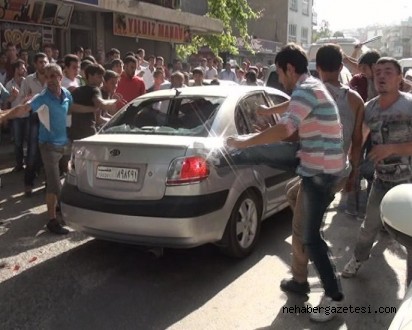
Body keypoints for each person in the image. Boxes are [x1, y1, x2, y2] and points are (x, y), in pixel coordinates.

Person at [225, 43, 346, 322]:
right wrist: (267, 112)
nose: (280, 79)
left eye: (280, 73)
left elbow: (286, 128)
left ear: (290, 69)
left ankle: (334, 295)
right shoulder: (312, 85)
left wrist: (246, 140)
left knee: (310, 237)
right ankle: (301, 280)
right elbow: (291, 105)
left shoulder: (306, 89)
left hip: (319, 172)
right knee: (294, 196)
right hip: (316, 165)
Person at [278, 44, 364, 300]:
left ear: (317, 67)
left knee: (302, 229)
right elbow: (357, 142)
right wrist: (353, 176)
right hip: (339, 171)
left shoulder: (311, 92)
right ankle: (312, 222)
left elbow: (293, 131)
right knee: (291, 192)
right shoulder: (356, 100)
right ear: (341, 67)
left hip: (318, 172)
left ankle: (300, 279)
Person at [342, 57, 412, 286]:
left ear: (400, 77)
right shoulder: (370, 107)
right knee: (368, 227)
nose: (381, 76)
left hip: (409, 183)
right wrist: (350, 167)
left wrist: (392, 148)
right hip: (381, 181)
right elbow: (359, 138)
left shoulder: (410, 105)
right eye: (378, 71)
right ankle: (358, 258)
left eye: (388, 72)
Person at [15, 52, 49, 196]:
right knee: (32, 151)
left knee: (48, 151)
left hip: (49, 118)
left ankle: (48, 184)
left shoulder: (52, 78)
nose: (43, 65)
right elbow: (20, 100)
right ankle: (28, 184)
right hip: (34, 118)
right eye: (40, 62)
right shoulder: (28, 80)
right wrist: (28, 98)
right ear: (35, 64)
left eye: (45, 62)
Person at [70, 63, 117, 140]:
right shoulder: (94, 89)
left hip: (74, 134)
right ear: (90, 76)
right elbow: (100, 103)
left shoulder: (76, 90)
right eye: (99, 76)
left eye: (102, 77)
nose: (102, 80)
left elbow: (70, 108)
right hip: (88, 134)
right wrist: (113, 102)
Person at [6, 59, 27, 172]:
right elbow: (6, 102)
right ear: (16, 69)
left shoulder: (27, 82)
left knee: (30, 141)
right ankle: (19, 164)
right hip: (16, 117)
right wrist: (13, 97)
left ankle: (31, 164)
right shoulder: (9, 84)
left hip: (28, 115)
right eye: (22, 68)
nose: (24, 70)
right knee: (18, 142)